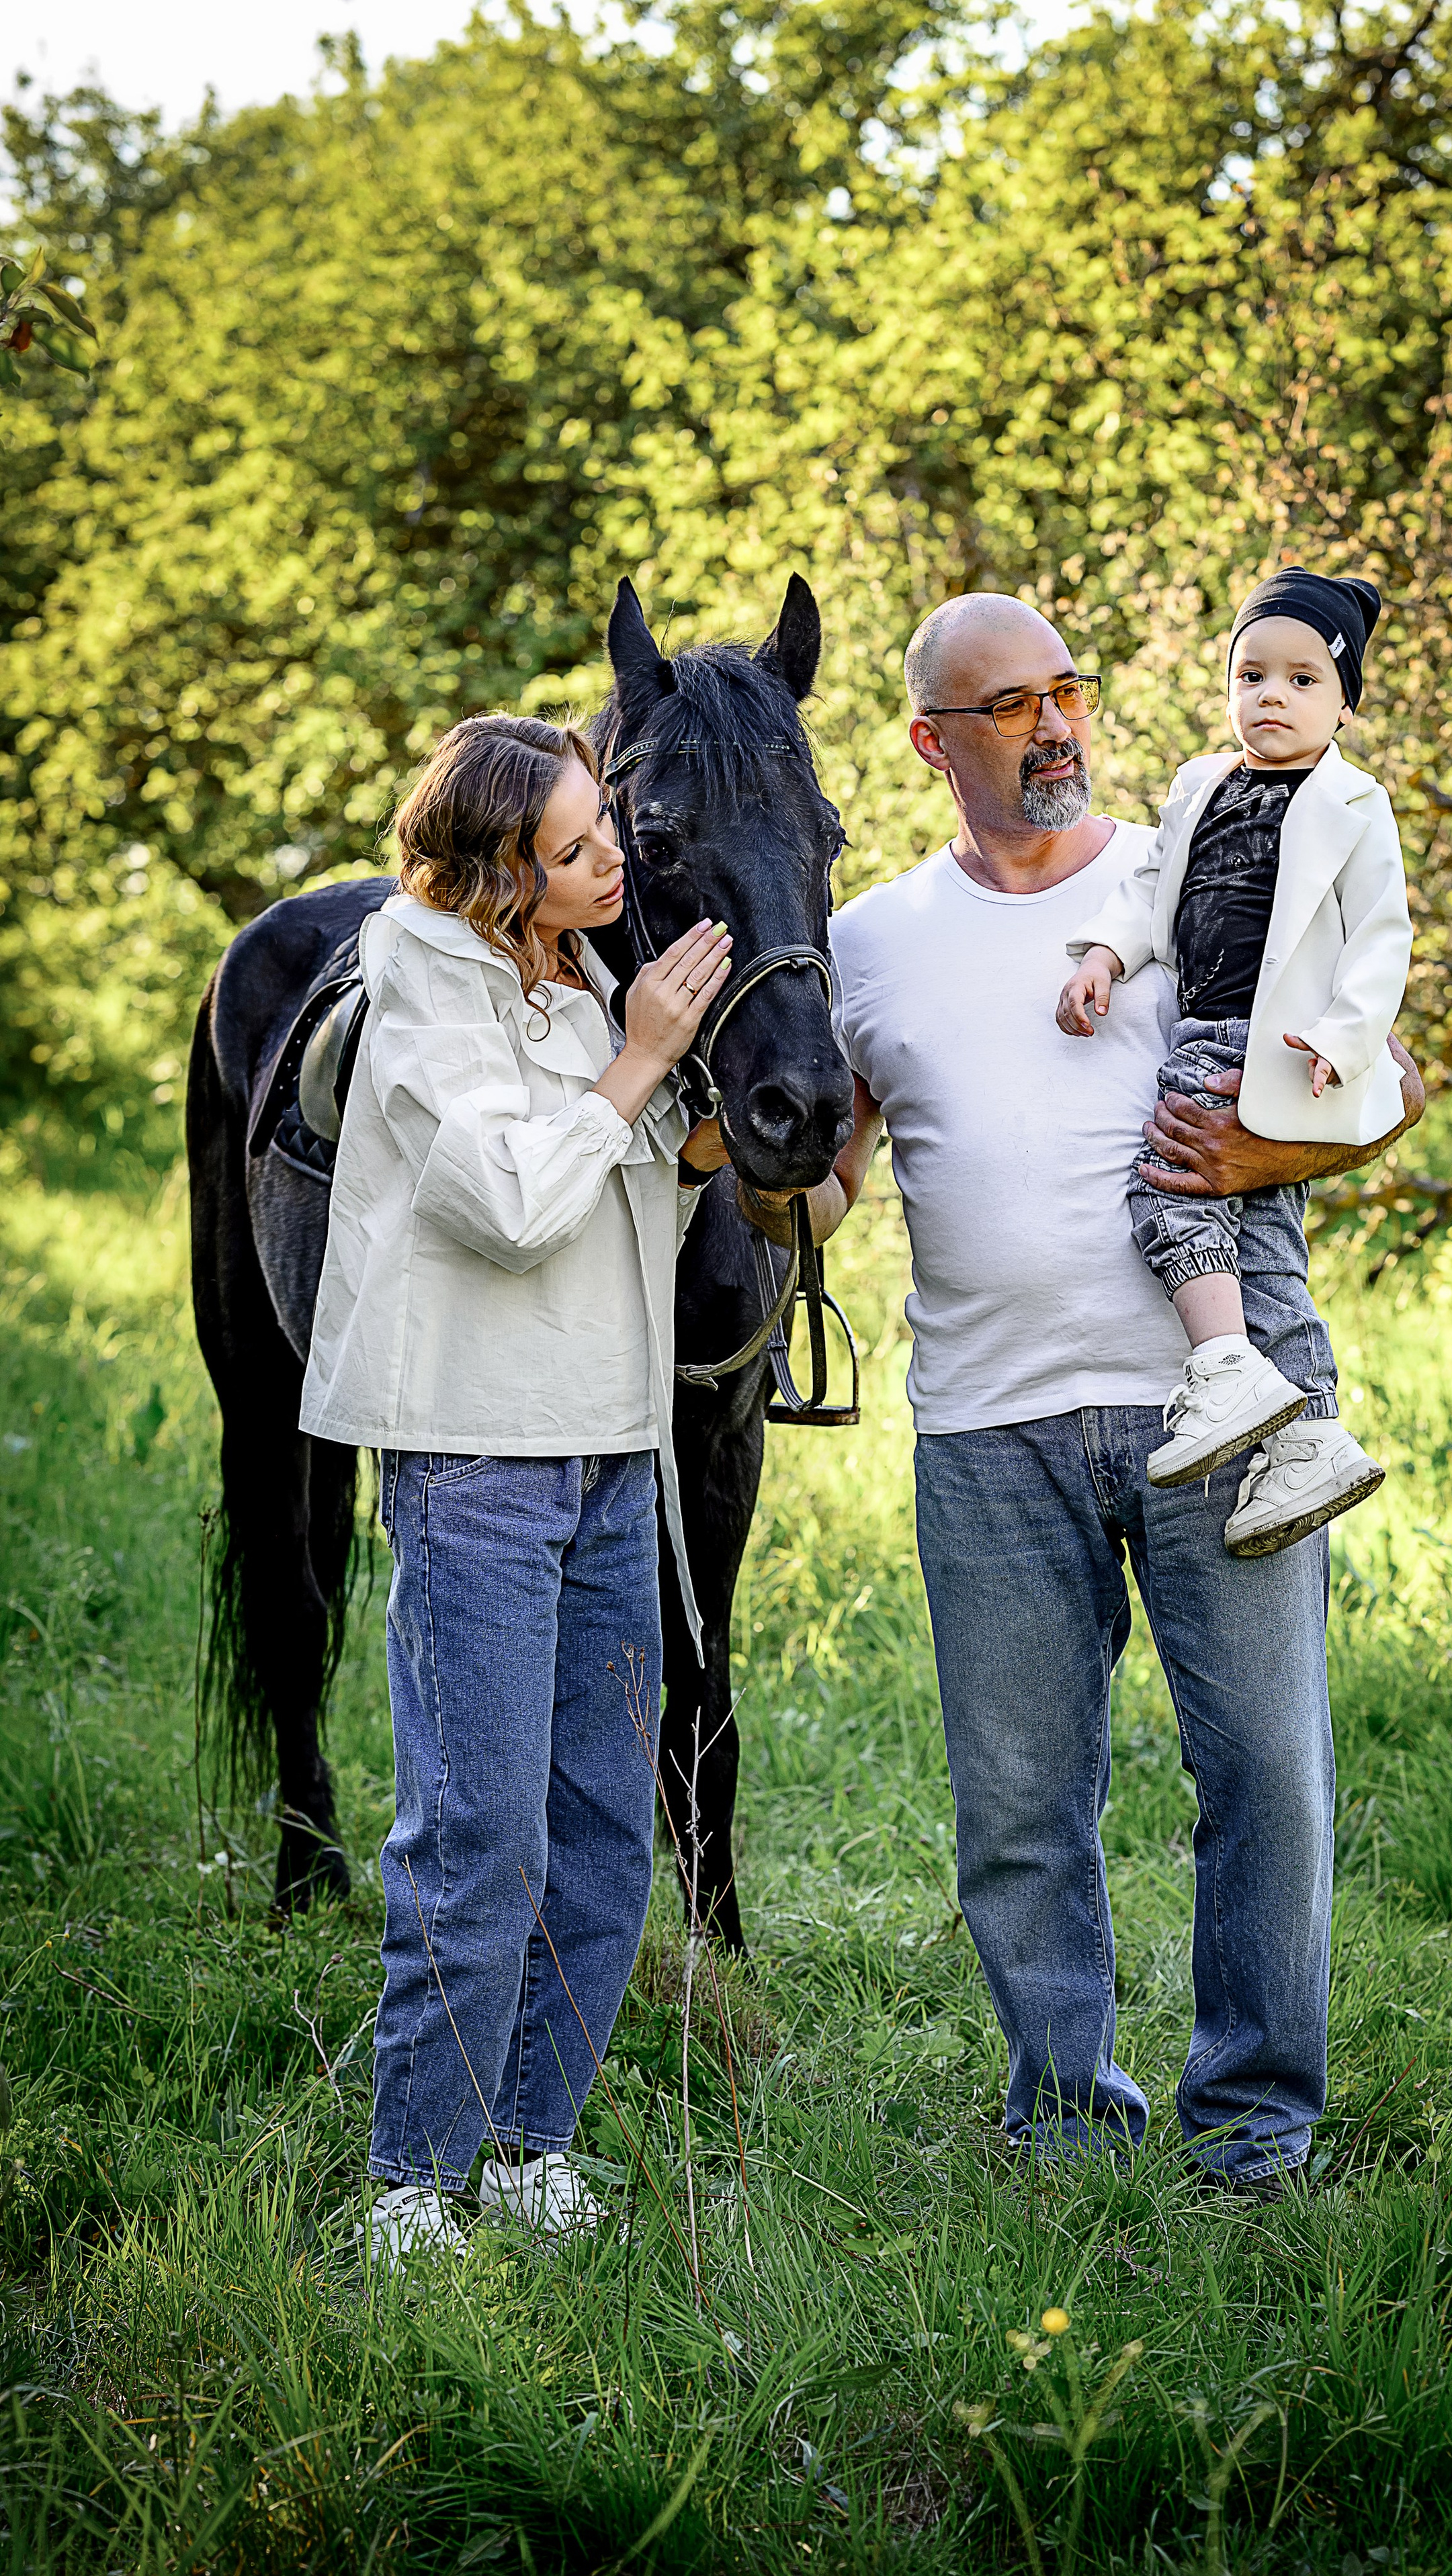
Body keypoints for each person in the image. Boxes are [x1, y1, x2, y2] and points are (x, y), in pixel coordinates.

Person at [738, 592, 1424, 2186]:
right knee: (1017, 1810)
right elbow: (826, 1191)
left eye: (1067, 690)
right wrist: (738, 1172)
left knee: (1264, 1779)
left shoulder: (1186, 863)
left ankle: (1253, 2131)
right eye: (1010, 705)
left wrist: (1255, 1154)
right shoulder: (868, 942)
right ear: (932, 743)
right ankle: (1061, 2121)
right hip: (987, 1427)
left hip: (1229, 1407)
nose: (1055, 725)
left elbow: (1389, 1079)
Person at [298, 712, 732, 2266]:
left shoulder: (586, 970)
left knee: (603, 1828)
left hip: (611, 1447)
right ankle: (414, 2179)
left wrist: (713, 1125)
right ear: (495, 872)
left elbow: (627, 1192)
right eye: (573, 847)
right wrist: (643, 1060)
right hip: (476, 1454)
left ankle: (532, 2140)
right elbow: (507, 1203)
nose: (612, 859)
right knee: (481, 1831)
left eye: (604, 825)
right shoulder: (420, 975)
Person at [1056, 567, 1412, 1556]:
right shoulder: (1199, 785)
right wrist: (1104, 956)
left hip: (1272, 1043)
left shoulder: (1356, 803)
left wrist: (1343, 1040)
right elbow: (1149, 887)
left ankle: (1224, 1367)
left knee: (1166, 1191)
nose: (1272, 698)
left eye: (1303, 680)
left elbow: (1381, 938)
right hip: (1203, 1022)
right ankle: (1311, 1439)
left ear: (1345, 704)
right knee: (1265, 1255)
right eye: (1252, 676)